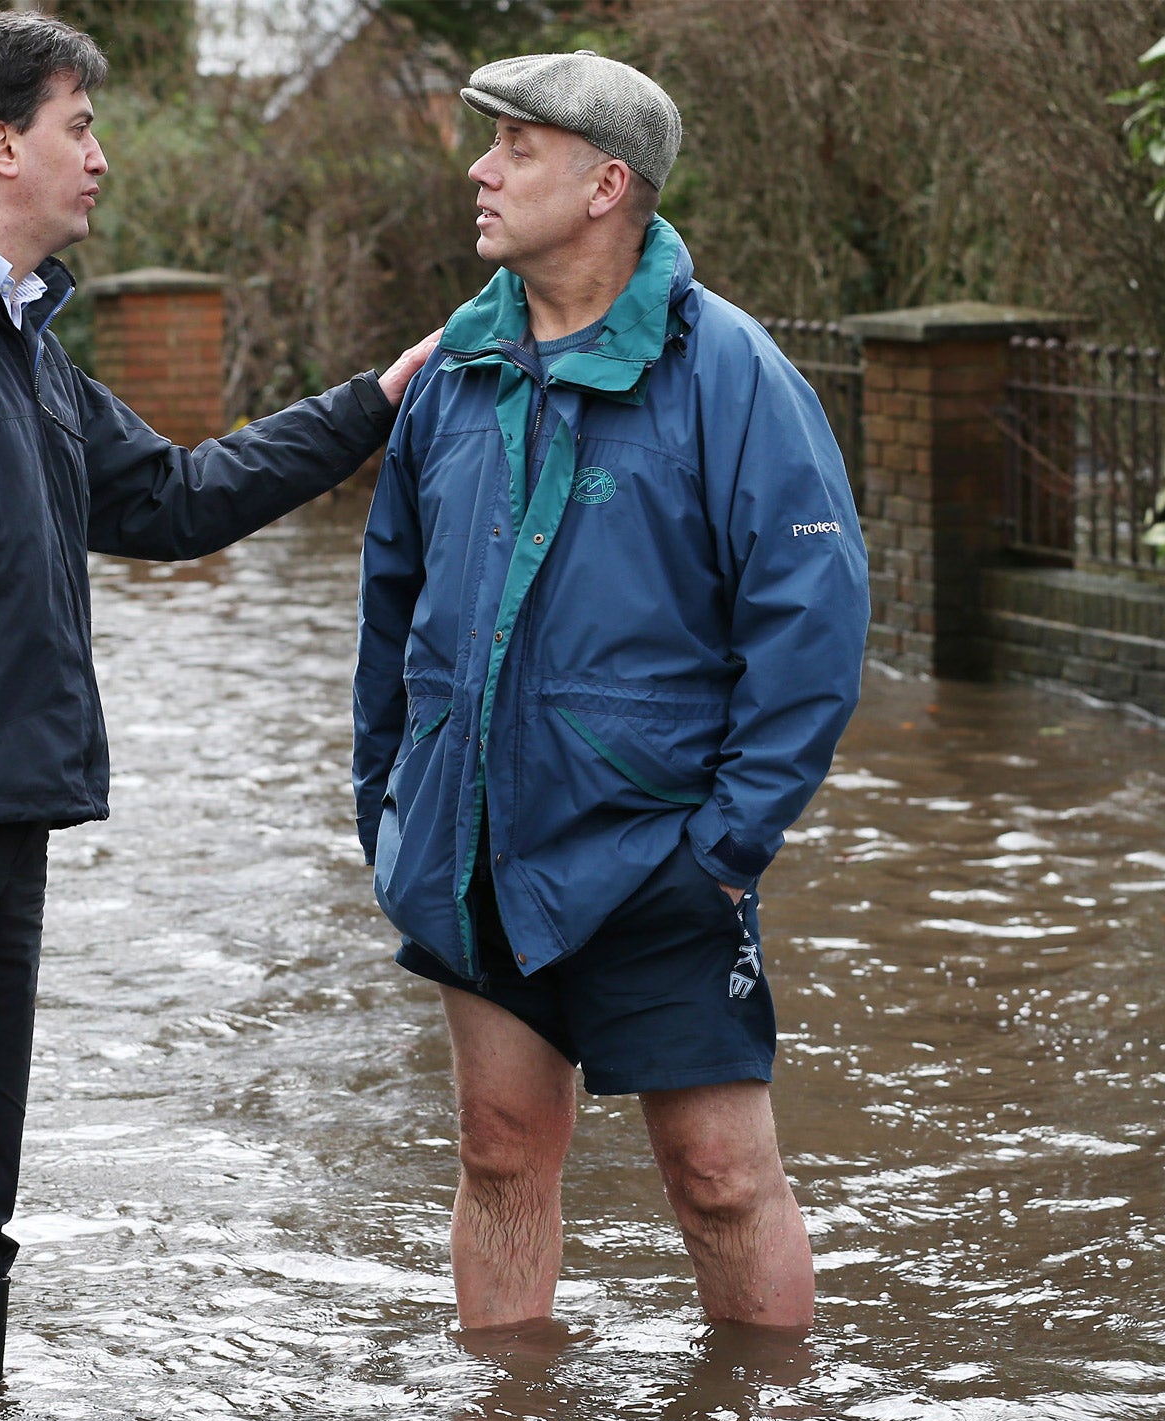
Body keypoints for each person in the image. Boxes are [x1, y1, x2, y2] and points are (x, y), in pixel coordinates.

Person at [0, 8, 439, 1421]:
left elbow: (175, 501)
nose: (100, 155)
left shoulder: (22, 342)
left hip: (2, 825)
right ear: (2, 144)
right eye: (80, 125)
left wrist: (373, 403)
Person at [353, 53, 868, 1338]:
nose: (479, 169)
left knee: (718, 1179)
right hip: (474, 842)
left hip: (661, 859)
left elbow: (811, 626)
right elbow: (388, 614)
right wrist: (389, 808)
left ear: (604, 185)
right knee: (496, 1153)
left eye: (514, 147)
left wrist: (727, 848)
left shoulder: (730, 372)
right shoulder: (453, 378)